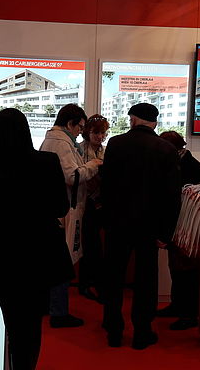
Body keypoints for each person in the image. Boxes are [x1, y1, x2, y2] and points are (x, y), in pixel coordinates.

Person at [0, 108, 72, 370]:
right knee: (31, 326)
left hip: (5, 257)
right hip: (41, 256)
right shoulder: (48, 162)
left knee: (13, 324)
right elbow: (61, 207)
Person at [101, 103, 181, 350]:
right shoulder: (166, 149)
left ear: (133, 120)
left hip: (118, 223)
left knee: (113, 277)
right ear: (154, 123)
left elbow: (106, 185)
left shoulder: (115, 144)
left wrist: (107, 219)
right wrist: (166, 232)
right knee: (146, 280)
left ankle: (114, 330)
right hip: (149, 226)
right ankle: (142, 332)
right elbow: (172, 196)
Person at [40, 104, 103, 328]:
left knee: (54, 261)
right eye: (80, 127)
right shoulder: (61, 143)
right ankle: (59, 311)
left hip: (56, 209)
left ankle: (50, 306)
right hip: (65, 210)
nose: (80, 132)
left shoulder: (53, 140)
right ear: (70, 123)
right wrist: (93, 166)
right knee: (62, 262)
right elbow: (72, 176)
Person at [157, 130, 200, 331]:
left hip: (186, 226)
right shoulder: (185, 163)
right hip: (180, 224)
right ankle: (177, 306)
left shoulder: (188, 167)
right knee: (177, 269)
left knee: (186, 271)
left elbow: (175, 199)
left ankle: (188, 314)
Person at [78, 114, 110, 303]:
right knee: (89, 245)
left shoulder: (107, 151)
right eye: (96, 132)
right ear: (87, 132)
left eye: (103, 133)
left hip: (102, 202)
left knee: (97, 246)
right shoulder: (79, 150)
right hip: (84, 201)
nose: (100, 136)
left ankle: (94, 283)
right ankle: (86, 283)